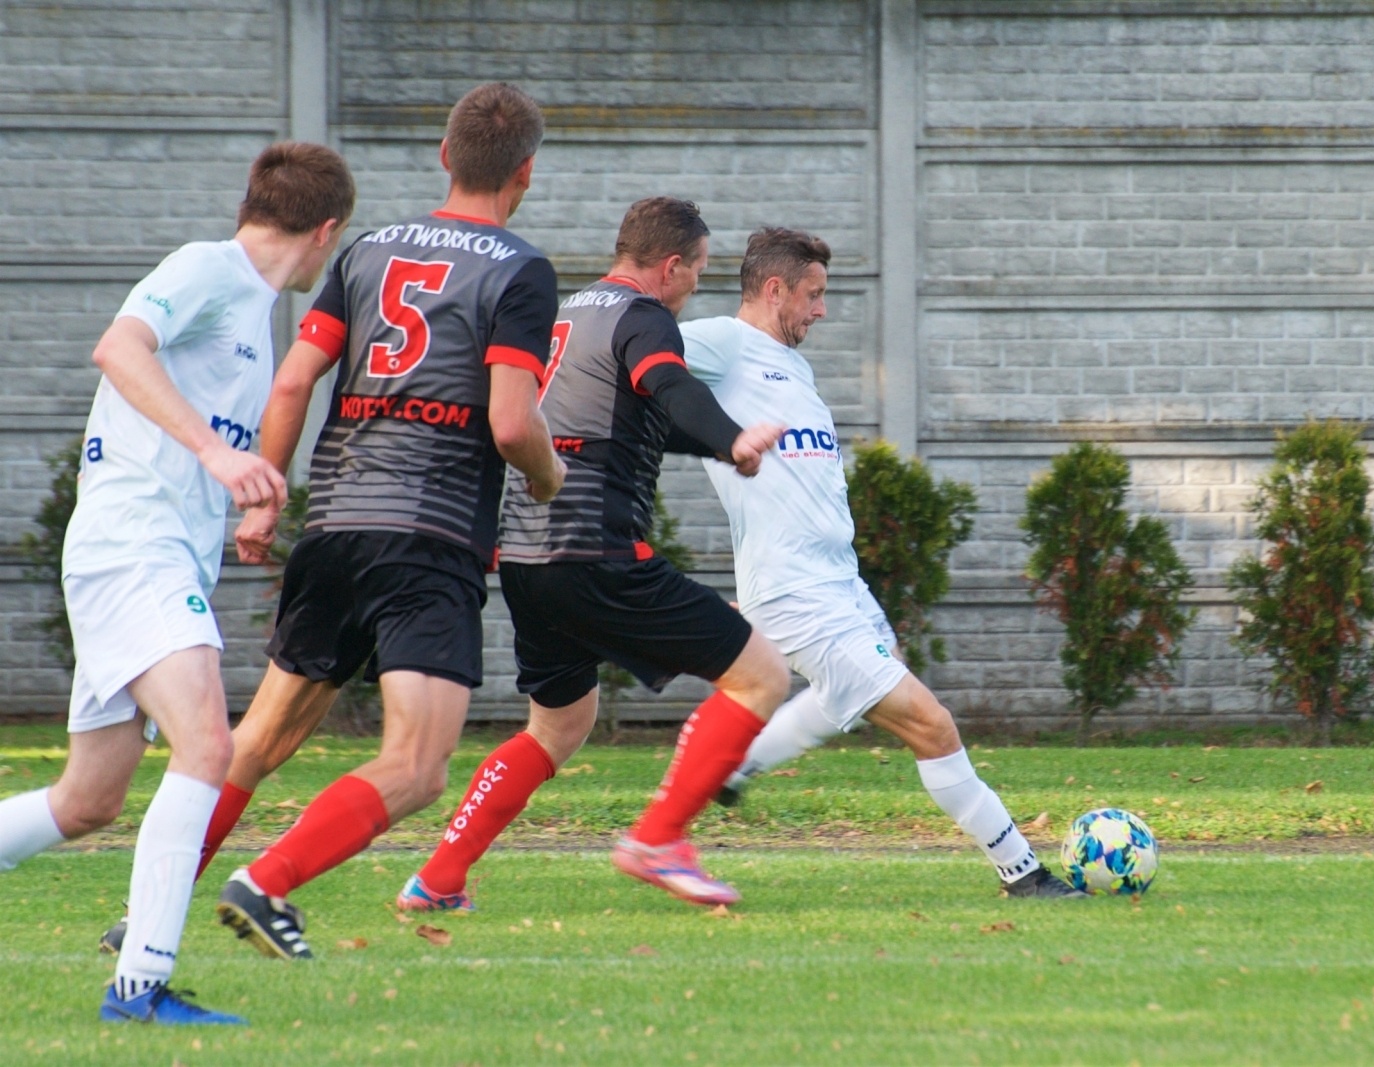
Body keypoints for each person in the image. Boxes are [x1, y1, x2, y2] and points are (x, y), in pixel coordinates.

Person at [199, 83, 567, 962]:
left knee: (260, 739)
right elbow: (512, 424)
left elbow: (293, 382)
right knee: (417, 765)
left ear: (445, 157)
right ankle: (266, 881)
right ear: (525, 173)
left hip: (333, 522)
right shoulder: (520, 271)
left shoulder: (366, 253)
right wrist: (549, 478)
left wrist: (264, 495)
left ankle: (152, 901)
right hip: (428, 539)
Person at [0, 143, 354, 1023]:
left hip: (149, 552)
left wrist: (234, 498)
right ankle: (140, 987)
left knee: (88, 799)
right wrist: (215, 452)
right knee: (207, 746)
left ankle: (141, 983)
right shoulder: (209, 269)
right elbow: (119, 346)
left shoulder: (252, 308)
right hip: (133, 549)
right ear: (326, 232)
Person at [395, 197, 788, 912]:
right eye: (697, 271)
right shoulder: (643, 318)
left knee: (557, 725)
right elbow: (669, 388)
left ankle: (439, 876)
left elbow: (635, 422)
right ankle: (659, 838)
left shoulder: (566, 316)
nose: (696, 285)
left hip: (526, 558)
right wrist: (733, 438)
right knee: (761, 674)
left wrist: (719, 447)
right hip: (596, 552)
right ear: (670, 267)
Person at [688, 228, 1083, 899]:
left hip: (835, 581)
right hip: (795, 591)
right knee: (930, 721)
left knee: (874, 678)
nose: (822, 310)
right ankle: (1023, 870)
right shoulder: (722, 344)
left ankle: (735, 764)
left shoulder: (790, 365)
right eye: (813, 295)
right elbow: (627, 343)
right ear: (775, 288)